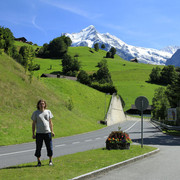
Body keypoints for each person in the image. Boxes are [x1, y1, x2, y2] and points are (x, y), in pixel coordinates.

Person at [31, 99, 55, 167]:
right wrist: (33, 133)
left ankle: (50, 161)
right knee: (38, 148)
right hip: (39, 133)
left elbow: (50, 122)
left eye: (43, 103)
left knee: (49, 147)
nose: (42, 105)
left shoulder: (48, 112)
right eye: (40, 104)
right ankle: (39, 162)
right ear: (38, 105)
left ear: (45, 104)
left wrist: (52, 131)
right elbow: (33, 123)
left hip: (47, 132)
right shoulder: (35, 113)